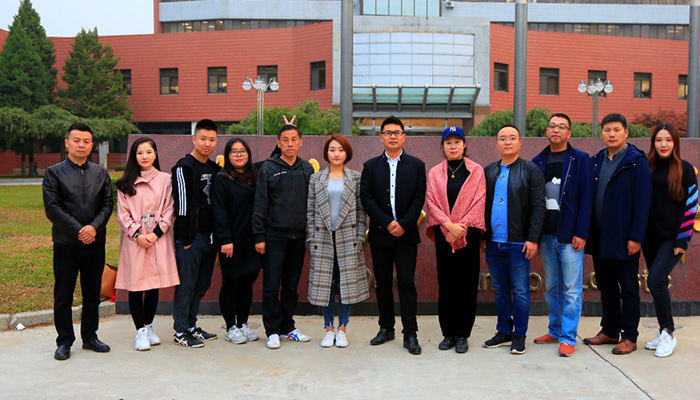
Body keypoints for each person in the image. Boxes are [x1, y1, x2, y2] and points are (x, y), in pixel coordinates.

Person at [42, 123, 113, 361]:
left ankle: (90, 336)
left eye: (86, 141)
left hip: (95, 243)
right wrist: (78, 230)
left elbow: (107, 204)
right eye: (76, 140)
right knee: (63, 294)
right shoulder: (54, 173)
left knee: (92, 293)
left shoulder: (100, 173)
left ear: (92, 145)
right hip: (65, 243)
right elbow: (52, 208)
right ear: (67, 143)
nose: (81, 145)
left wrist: (93, 228)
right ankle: (64, 341)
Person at [584, 113, 652, 355]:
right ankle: (610, 330)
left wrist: (636, 237)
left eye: (616, 130)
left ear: (626, 133)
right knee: (607, 286)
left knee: (629, 288)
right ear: (601, 133)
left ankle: (630, 336)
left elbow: (643, 202)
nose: (611, 134)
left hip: (625, 239)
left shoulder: (636, 161)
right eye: (607, 130)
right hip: (600, 236)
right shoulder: (596, 161)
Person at [360, 115, 426, 355]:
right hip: (380, 234)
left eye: (397, 132)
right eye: (388, 133)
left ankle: (410, 333)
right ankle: (386, 328)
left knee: (407, 283)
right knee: (383, 283)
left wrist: (404, 225)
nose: (392, 136)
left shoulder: (417, 165)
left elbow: (419, 198)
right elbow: (367, 199)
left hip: (406, 236)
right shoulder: (370, 166)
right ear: (381, 137)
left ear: (404, 136)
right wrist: (387, 223)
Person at [531, 114, 593, 357]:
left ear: (569, 133)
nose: (556, 130)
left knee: (572, 290)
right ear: (547, 131)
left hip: (570, 236)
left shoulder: (580, 159)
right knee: (552, 287)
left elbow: (586, 198)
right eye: (552, 126)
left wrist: (581, 232)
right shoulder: (538, 161)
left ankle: (568, 337)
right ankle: (555, 330)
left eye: (561, 126)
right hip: (546, 235)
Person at [482, 125, 546, 355]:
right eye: (502, 138)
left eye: (512, 138)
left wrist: (533, 238)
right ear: (496, 143)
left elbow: (539, 207)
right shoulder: (489, 170)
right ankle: (503, 331)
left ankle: (519, 335)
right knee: (500, 289)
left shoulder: (530, 170)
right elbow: (482, 205)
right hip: (493, 242)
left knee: (520, 290)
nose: (507, 142)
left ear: (520, 142)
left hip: (519, 242)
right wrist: (483, 236)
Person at [253, 124, 315, 349]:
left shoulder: (307, 169)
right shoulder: (268, 168)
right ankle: (272, 330)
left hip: (298, 238)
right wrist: (259, 236)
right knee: (271, 286)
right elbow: (260, 203)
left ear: (301, 142)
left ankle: (287, 327)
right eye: (285, 140)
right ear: (278, 143)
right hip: (273, 237)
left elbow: (313, 203)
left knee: (291, 286)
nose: (290, 144)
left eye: (294, 139)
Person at [425, 126, 485, 354]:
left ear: (464, 145)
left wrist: (460, 228)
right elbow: (432, 203)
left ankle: (462, 334)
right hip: (444, 235)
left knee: (467, 285)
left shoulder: (475, 171)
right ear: (442, 146)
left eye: (457, 142)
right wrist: (448, 226)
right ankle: (448, 333)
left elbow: (479, 202)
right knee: (447, 284)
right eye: (448, 142)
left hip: (468, 235)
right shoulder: (434, 173)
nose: (452, 146)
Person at [115, 137, 179, 351]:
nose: (145, 156)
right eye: (140, 152)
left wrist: (156, 233)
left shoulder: (165, 180)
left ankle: (149, 326)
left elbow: (170, 208)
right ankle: (140, 331)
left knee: (153, 285)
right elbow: (122, 214)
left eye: (149, 152)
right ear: (134, 156)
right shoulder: (125, 183)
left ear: (155, 154)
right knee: (136, 286)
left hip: (157, 239)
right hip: (135, 241)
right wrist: (137, 234)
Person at [307, 134, 369, 348]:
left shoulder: (356, 178)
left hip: (347, 238)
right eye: (332, 149)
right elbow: (310, 211)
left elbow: (361, 212)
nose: (336, 154)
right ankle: (328, 328)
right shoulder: (316, 179)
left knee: (345, 285)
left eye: (341, 150)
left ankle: (342, 328)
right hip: (323, 237)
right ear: (326, 153)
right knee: (326, 284)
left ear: (347, 153)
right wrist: (311, 238)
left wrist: (359, 237)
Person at [642, 124, 697, 358]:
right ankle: (662, 330)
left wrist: (682, 240)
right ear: (653, 142)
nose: (663, 144)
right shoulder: (646, 166)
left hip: (671, 239)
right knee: (660, 283)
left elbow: (691, 205)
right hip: (649, 237)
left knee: (655, 280)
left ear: (675, 143)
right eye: (658, 140)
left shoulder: (685, 168)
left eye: (668, 140)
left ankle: (669, 332)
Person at [171, 119, 221, 348]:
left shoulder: (214, 169)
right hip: (191, 239)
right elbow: (181, 207)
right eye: (203, 138)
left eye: (212, 139)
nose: (207, 143)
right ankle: (180, 330)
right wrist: (186, 239)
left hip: (210, 238)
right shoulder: (184, 167)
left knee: (201, 285)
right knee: (186, 285)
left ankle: (191, 325)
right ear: (194, 139)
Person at [211, 138, 262, 345]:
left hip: (252, 241)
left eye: (242, 151)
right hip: (231, 242)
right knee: (231, 284)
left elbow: (276, 159)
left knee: (247, 284)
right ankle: (230, 326)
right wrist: (225, 239)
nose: (239, 155)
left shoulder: (254, 175)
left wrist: (282, 138)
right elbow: (219, 212)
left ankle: (242, 324)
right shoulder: (222, 180)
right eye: (234, 151)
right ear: (227, 155)